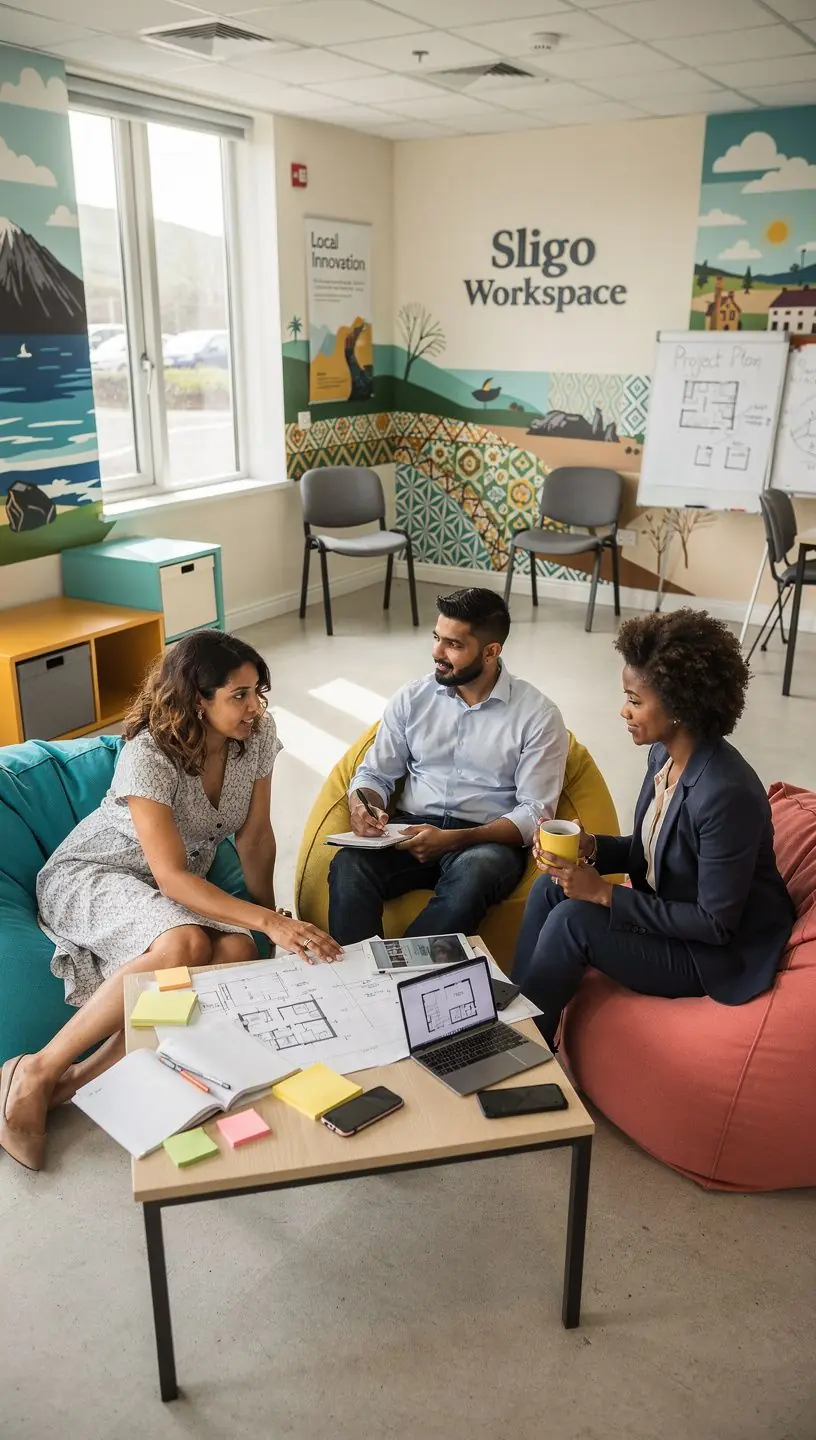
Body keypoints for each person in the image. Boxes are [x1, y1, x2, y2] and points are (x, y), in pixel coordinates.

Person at [0, 630, 339, 1171]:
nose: (255, 707)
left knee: (236, 954)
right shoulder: (148, 755)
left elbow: (255, 837)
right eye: (239, 696)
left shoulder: (257, 736)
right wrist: (267, 921)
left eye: (258, 692)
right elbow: (173, 875)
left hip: (163, 890)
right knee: (183, 941)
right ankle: (34, 1073)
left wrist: (269, 924)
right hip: (94, 874)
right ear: (197, 700)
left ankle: (72, 1087)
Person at [512, 609, 795, 1049]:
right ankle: (513, 1012)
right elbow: (654, 851)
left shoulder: (726, 794)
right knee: (551, 889)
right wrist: (590, 850)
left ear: (680, 706)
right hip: (672, 917)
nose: (622, 710)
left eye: (634, 700)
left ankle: (521, 1049)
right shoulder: (663, 758)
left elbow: (716, 923)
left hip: (715, 954)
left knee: (574, 919)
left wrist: (604, 893)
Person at [328, 587, 569, 946]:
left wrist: (458, 839)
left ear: (491, 651)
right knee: (349, 865)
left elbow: (536, 812)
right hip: (410, 830)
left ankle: (407, 979)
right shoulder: (412, 698)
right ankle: (359, 982)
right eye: (437, 638)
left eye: (454, 645)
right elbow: (375, 774)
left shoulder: (538, 716)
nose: (437, 653)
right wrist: (363, 804)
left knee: (477, 873)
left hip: (484, 840)